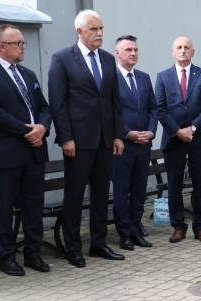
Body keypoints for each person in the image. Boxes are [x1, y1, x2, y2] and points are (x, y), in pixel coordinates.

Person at [0, 24, 52, 276]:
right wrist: (28, 132)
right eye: (18, 43)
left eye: (23, 42)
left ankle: (33, 254)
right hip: (6, 155)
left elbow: (44, 107)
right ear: (1, 46)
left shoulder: (28, 74)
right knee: (4, 208)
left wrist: (42, 127)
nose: (23, 46)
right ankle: (6, 257)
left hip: (35, 152)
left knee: (33, 206)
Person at [48, 9, 126, 268]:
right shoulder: (62, 59)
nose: (100, 33)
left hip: (105, 140)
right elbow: (58, 104)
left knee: (102, 195)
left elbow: (114, 101)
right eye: (94, 29)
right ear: (79, 31)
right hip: (78, 142)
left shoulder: (106, 59)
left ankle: (98, 243)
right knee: (74, 196)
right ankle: (73, 247)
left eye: (101, 28)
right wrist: (66, 138)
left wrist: (117, 135)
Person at [155, 36, 201, 244]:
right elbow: (160, 109)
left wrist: (193, 127)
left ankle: (200, 227)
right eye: (179, 47)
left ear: (193, 52)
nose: (183, 50)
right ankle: (178, 226)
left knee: (200, 184)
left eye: (186, 47)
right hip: (174, 140)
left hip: (199, 138)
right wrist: (177, 131)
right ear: (173, 52)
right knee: (174, 185)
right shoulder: (163, 77)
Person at [112, 35, 157, 251]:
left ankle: (136, 228)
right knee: (122, 191)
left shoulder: (143, 78)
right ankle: (124, 234)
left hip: (143, 144)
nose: (133, 53)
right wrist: (127, 133)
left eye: (136, 50)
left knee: (140, 190)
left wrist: (151, 131)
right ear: (117, 53)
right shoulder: (109, 79)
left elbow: (153, 109)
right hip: (123, 145)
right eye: (128, 49)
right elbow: (109, 113)